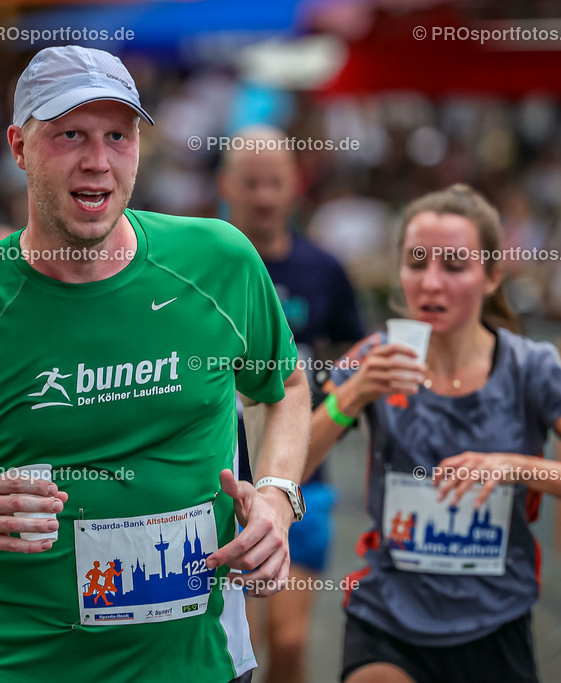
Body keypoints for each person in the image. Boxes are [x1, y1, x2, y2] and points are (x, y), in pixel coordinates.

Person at [0, 45, 311, 683]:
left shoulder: (218, 261)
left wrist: (279, 497)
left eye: (118, 135)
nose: (98, 161)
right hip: (18, 666)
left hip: (201, 665)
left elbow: (282, 384)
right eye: (70, 134)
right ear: (18, 146)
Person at [303, 184, 561, 683]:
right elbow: (287, 472)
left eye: (454, 266)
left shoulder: (531, 368)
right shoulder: (376, 355)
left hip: (494, 623)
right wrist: (350, 396)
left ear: (491, 276)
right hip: (386, 618)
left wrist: (514, 465)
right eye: (416, 263)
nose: (431, 283)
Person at [218, 125, 364, 683]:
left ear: (294, 186)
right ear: (226, 184)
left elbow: (353, 349)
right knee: (239, 639)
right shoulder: (204, 265)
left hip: (302, 478)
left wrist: (332, 409)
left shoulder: (322, 269)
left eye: (274, 182)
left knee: (290, 636)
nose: (263, 196)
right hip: (219, 481)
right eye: (251, 183)